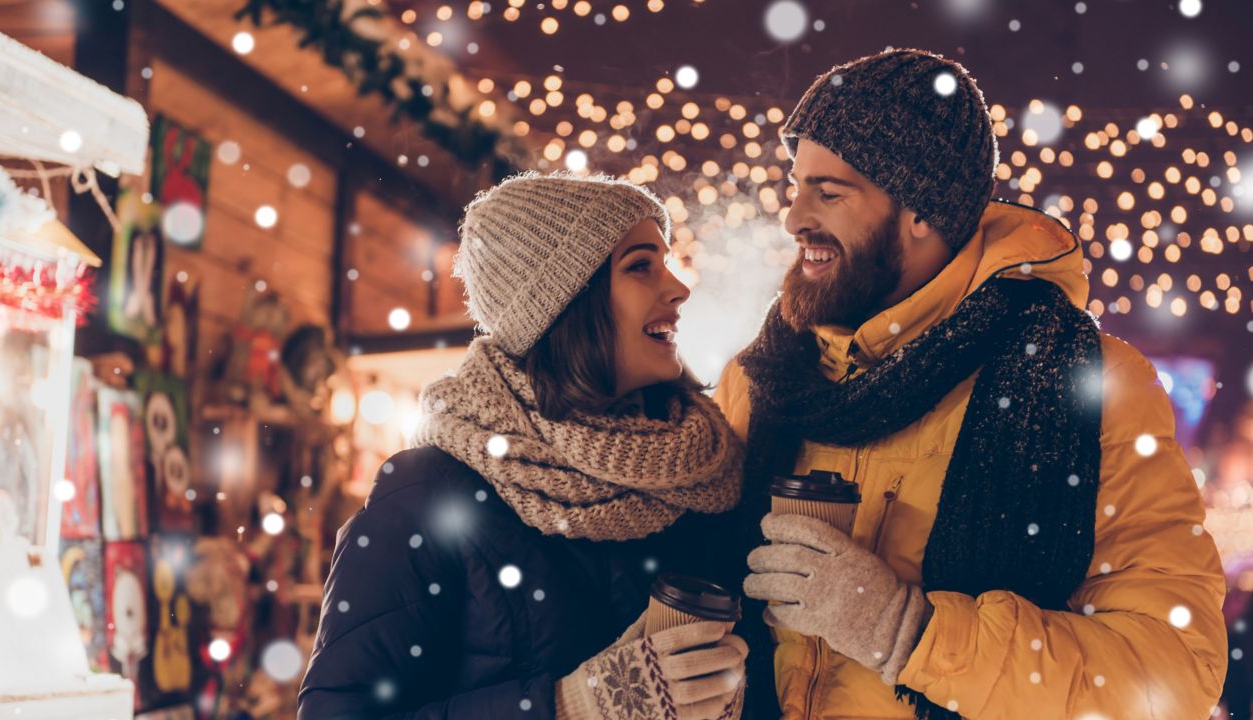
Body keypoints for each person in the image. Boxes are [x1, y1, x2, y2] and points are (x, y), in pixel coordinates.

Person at [716, 49, 1228, 719]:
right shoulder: (763, 378)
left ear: (922, 212)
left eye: (829, 192)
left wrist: (912, 635)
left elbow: (1174, 677)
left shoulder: (1086, 385)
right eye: (796, 185)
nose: (793, 217)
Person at [299, 172, 749, 719]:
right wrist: (567, 707)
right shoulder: (429, 493)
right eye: (640, 266)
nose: (678, 289)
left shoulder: (700, 476)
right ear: (562, 305)